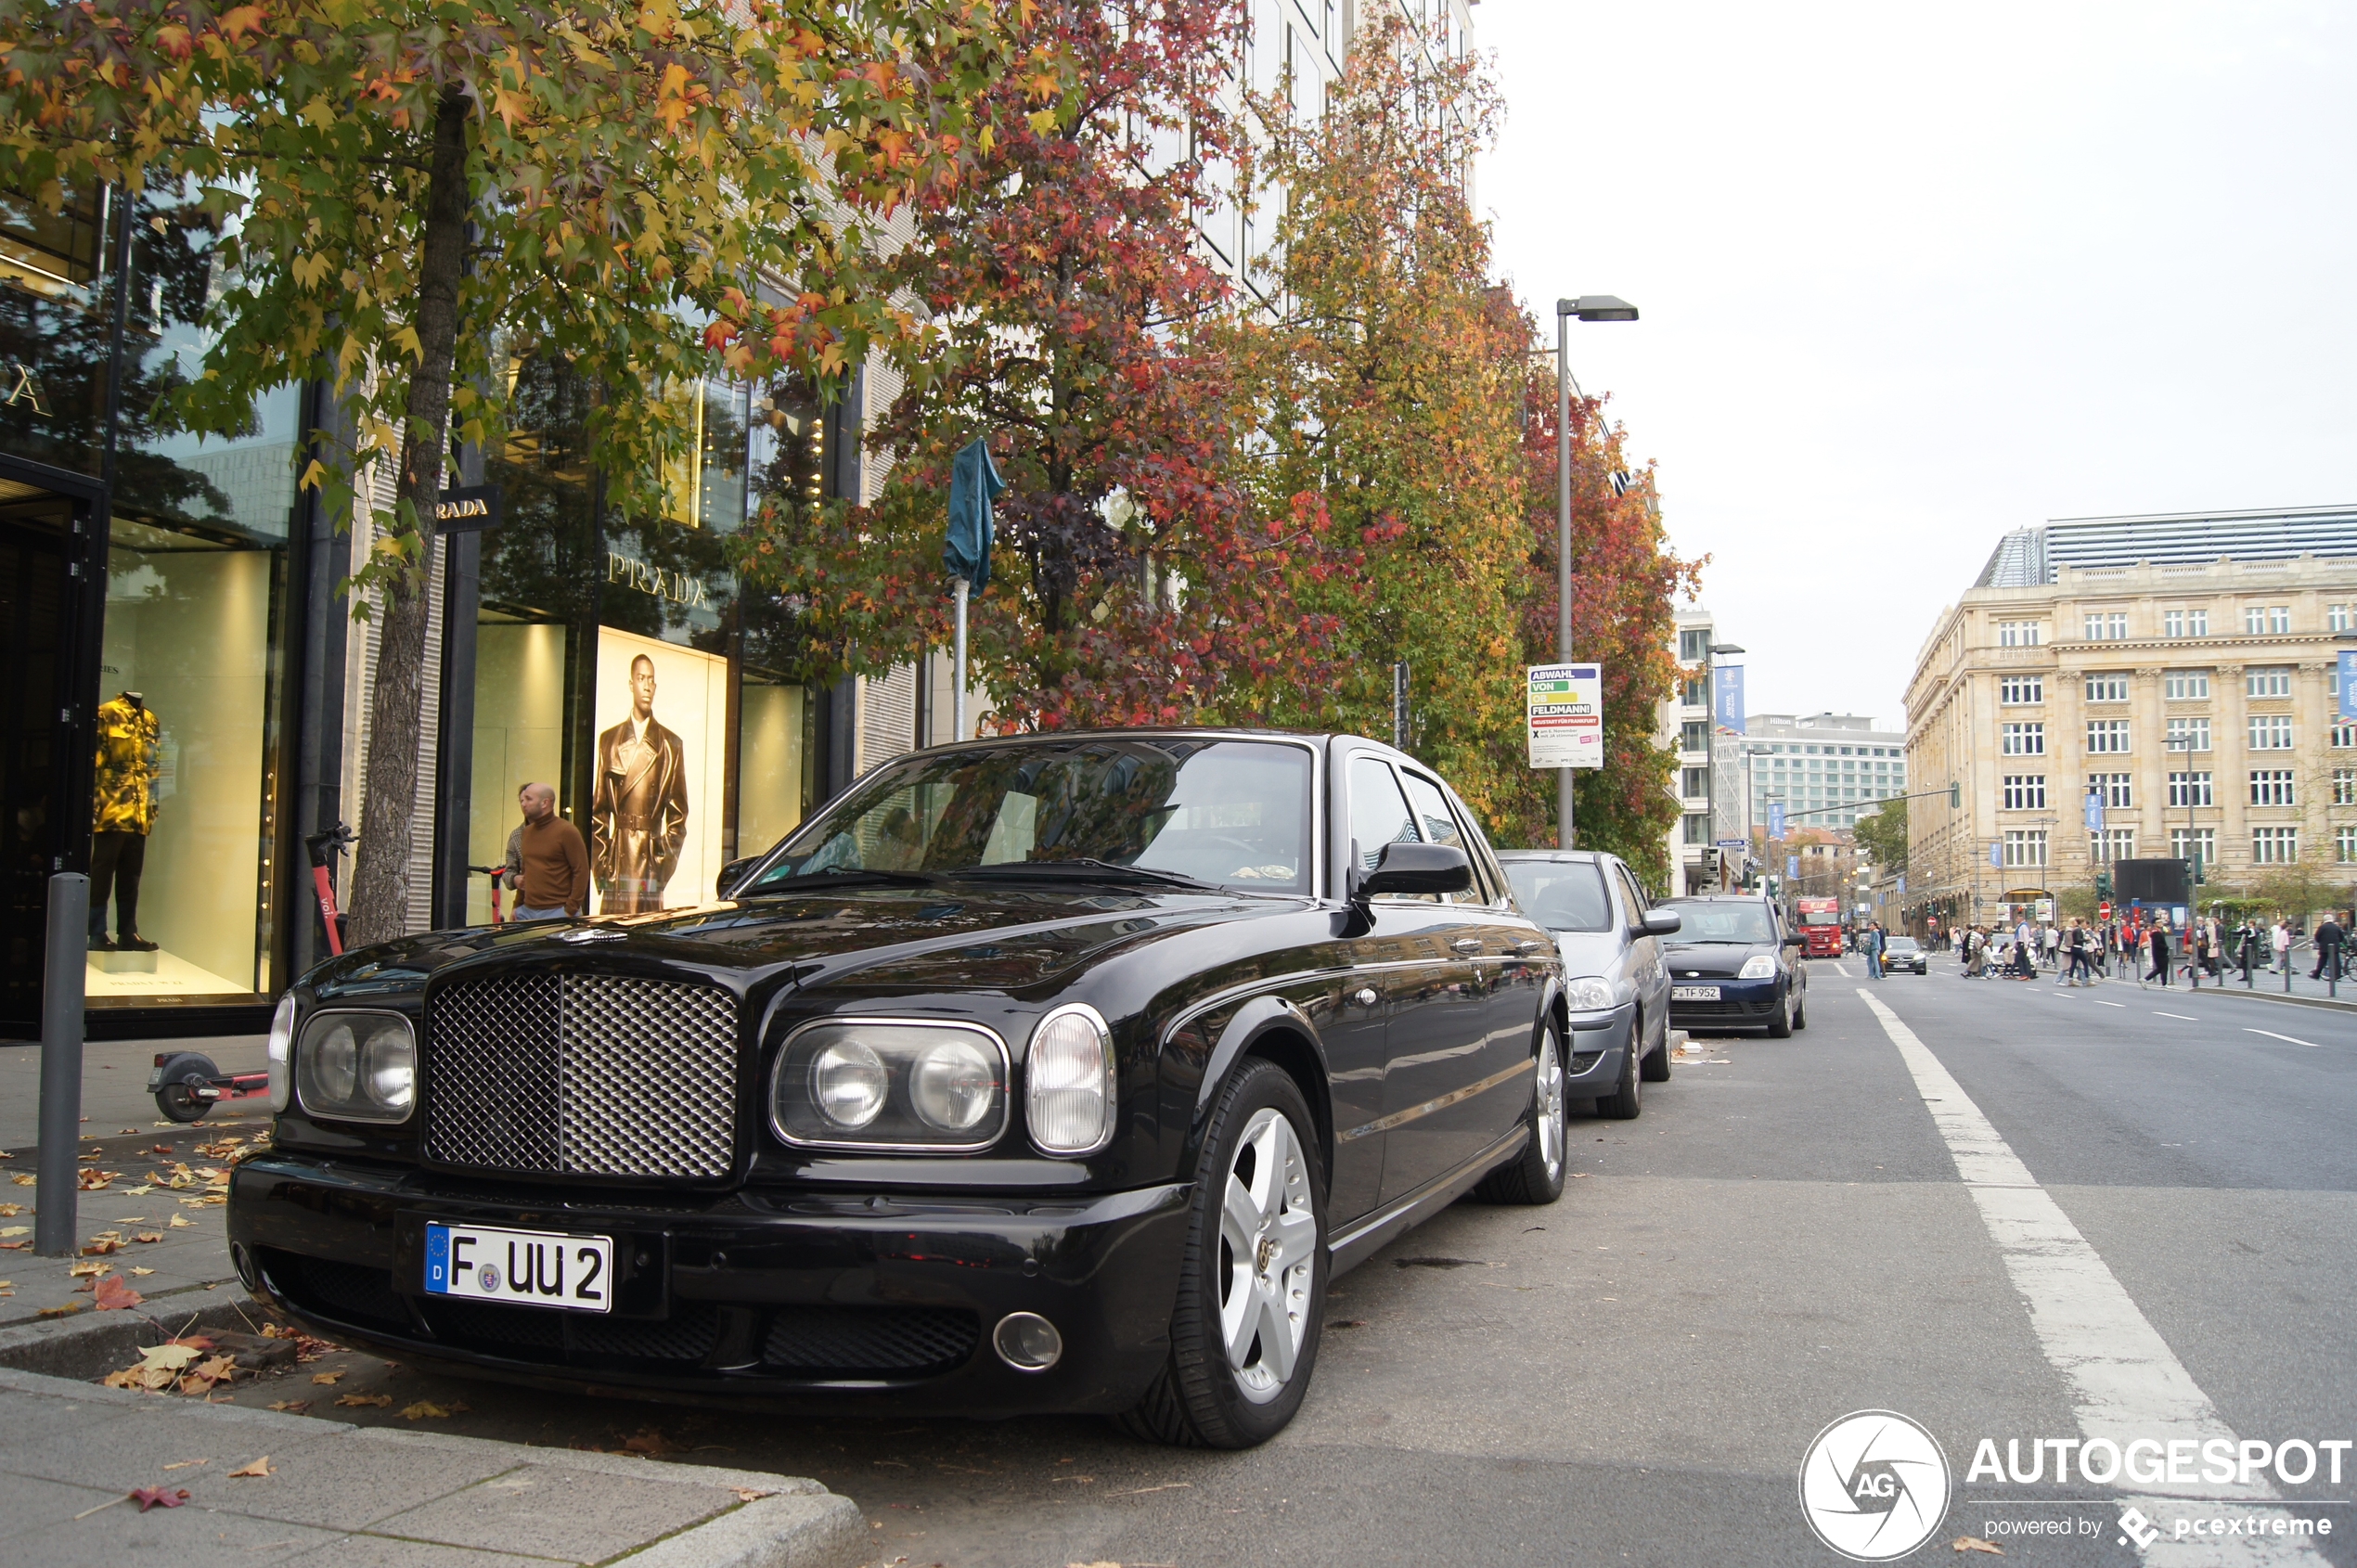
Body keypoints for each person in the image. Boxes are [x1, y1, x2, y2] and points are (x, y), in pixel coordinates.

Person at [591, 652, 691, 915]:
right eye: (641, 678)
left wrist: (662, 863)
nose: (647, 686)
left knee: (643, 933)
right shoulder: (609, 740)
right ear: (631, 684)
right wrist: (602, 868)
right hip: (619, 858)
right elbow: (599, 812)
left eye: (651, 680)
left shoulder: (670, 744)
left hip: (649, 859)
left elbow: (678, 817)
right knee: (614, 934)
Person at [509, 782, 589, 919]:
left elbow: (581, 871)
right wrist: (517, 906)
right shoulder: (526, 832)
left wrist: (570, 909)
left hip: (557, 911)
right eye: (522, 800)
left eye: (529, 799)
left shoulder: (567, 831)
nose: (523, 804)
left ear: (544, 803)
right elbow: (526, 871)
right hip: (527, 911)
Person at [2312, 911, 2346, 981]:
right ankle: (2337, 975)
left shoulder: (2322, 927)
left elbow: (2317, 937)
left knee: (2322, 961)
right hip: (2335, 947)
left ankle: (2316, 974)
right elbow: (2341, 937)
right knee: (2336, 962)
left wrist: (2321, 942)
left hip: (2324, 947)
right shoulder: (2336, 927)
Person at [2146, 918, 2171, 986]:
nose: (2160, 923)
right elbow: (2157, 943)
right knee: (2163, 968)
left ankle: (2163, 983)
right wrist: (2165, 947)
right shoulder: (2156, 932)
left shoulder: (2159, 931)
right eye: (2158, 922)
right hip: (2160, 953)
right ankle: (2146, 979)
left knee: (2161, 969)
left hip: (2160, 953)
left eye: (2161, 922)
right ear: (2154, 924)